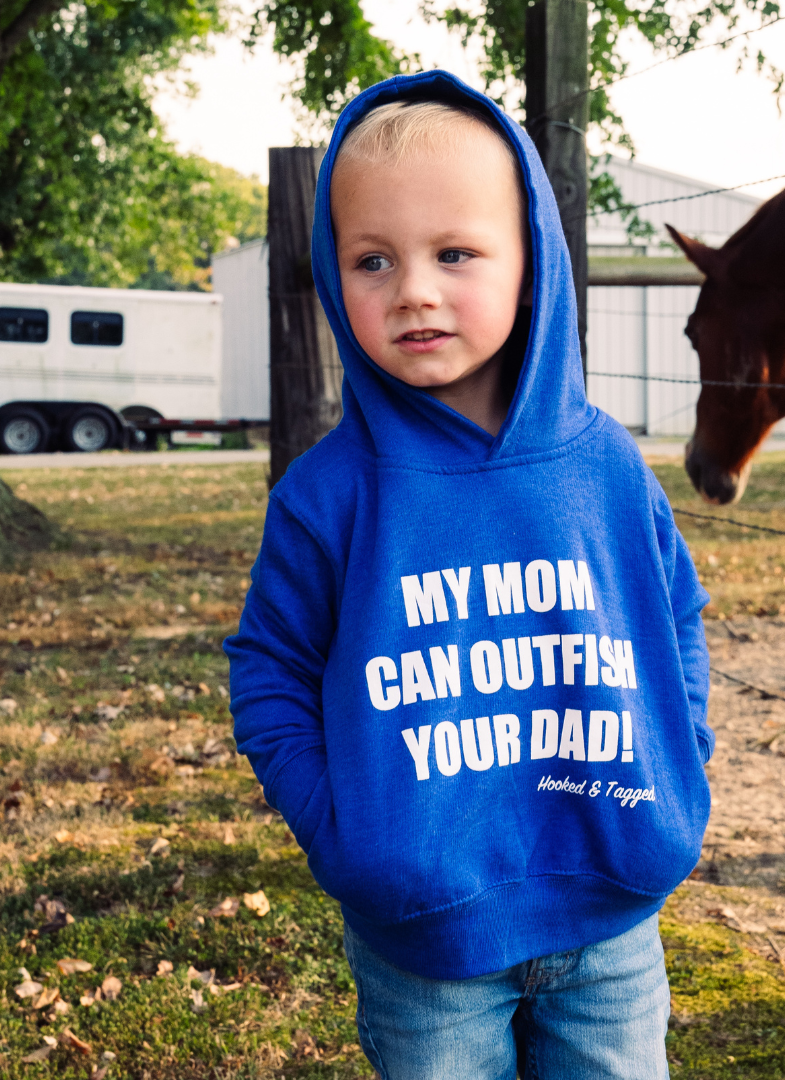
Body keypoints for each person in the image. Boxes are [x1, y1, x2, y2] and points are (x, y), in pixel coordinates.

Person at [225, 70, 713, 1080]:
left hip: (612, 916)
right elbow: (269, 673)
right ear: (333, 277)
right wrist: (350, 836)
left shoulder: (606, 465)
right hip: (424, 944)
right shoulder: (328, 497)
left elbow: (676, 619)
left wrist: (680, 764)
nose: (413, 289)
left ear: (532, 263)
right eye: (372, 260)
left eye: (454, 253)